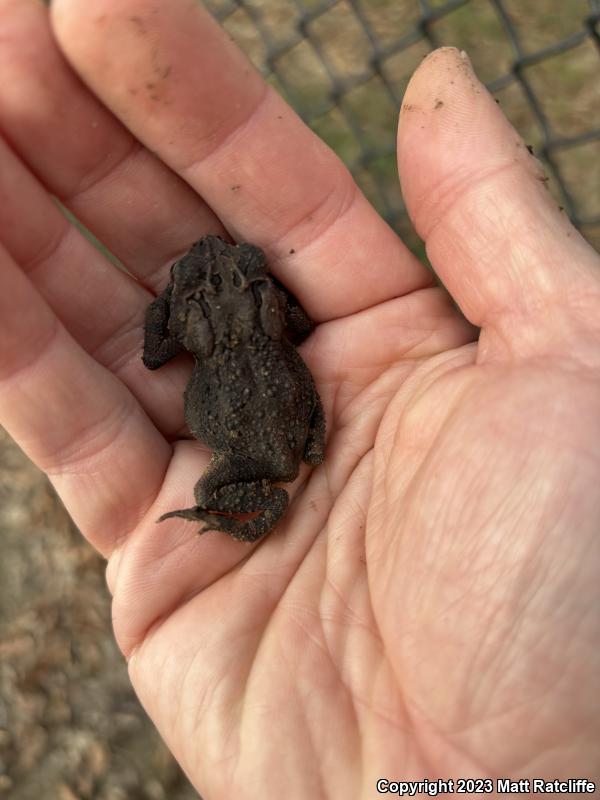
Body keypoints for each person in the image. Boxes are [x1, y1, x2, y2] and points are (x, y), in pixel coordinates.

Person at [0, 0, 598, 796]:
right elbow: (309, 322)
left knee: (220, 477)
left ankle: (226, 506)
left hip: (249, 438)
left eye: (231, 274)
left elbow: (150, 355)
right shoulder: (273, 311)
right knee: (271, 449)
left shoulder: (185, 327)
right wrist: (268, 294)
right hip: (292, 419)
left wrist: (171, 308)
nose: (211, 267)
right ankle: (247, 492)